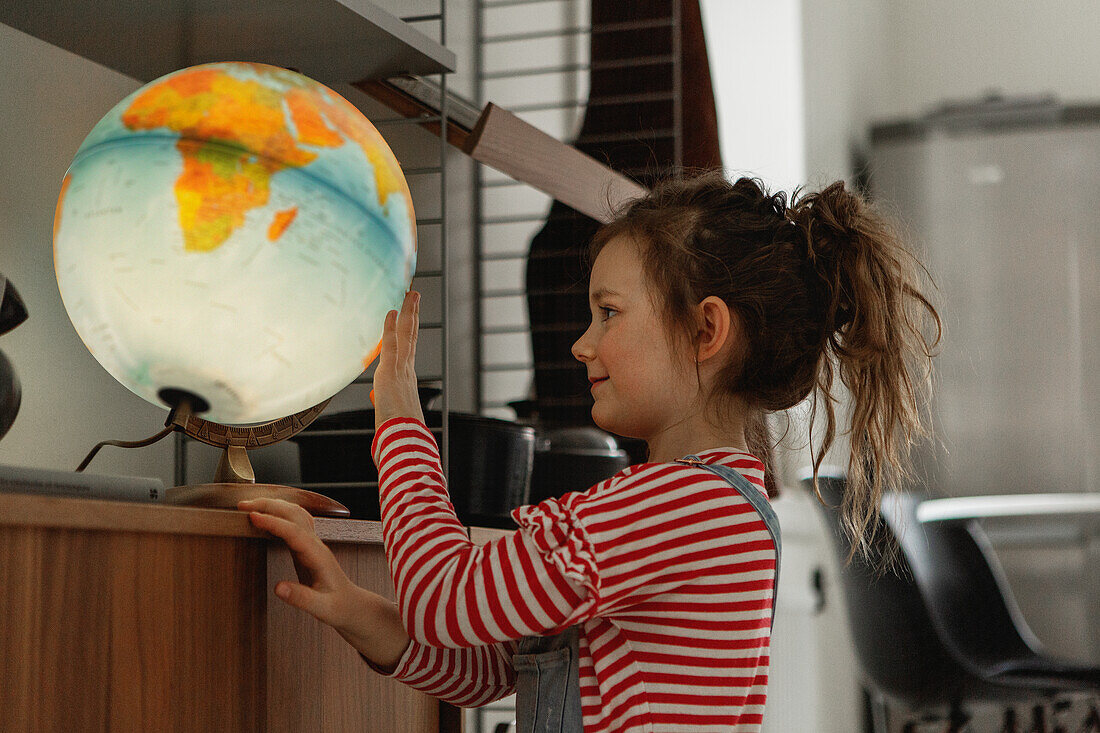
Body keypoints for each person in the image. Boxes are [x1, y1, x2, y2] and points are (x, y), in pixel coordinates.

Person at [239, 171, 941, 732]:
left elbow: (443, 599)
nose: (582, 342)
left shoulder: (685, 506)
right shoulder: (688, 505)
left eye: (609, 312)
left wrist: (398, 423)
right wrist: (360, 609)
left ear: (706, 330)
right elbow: (500, 667)